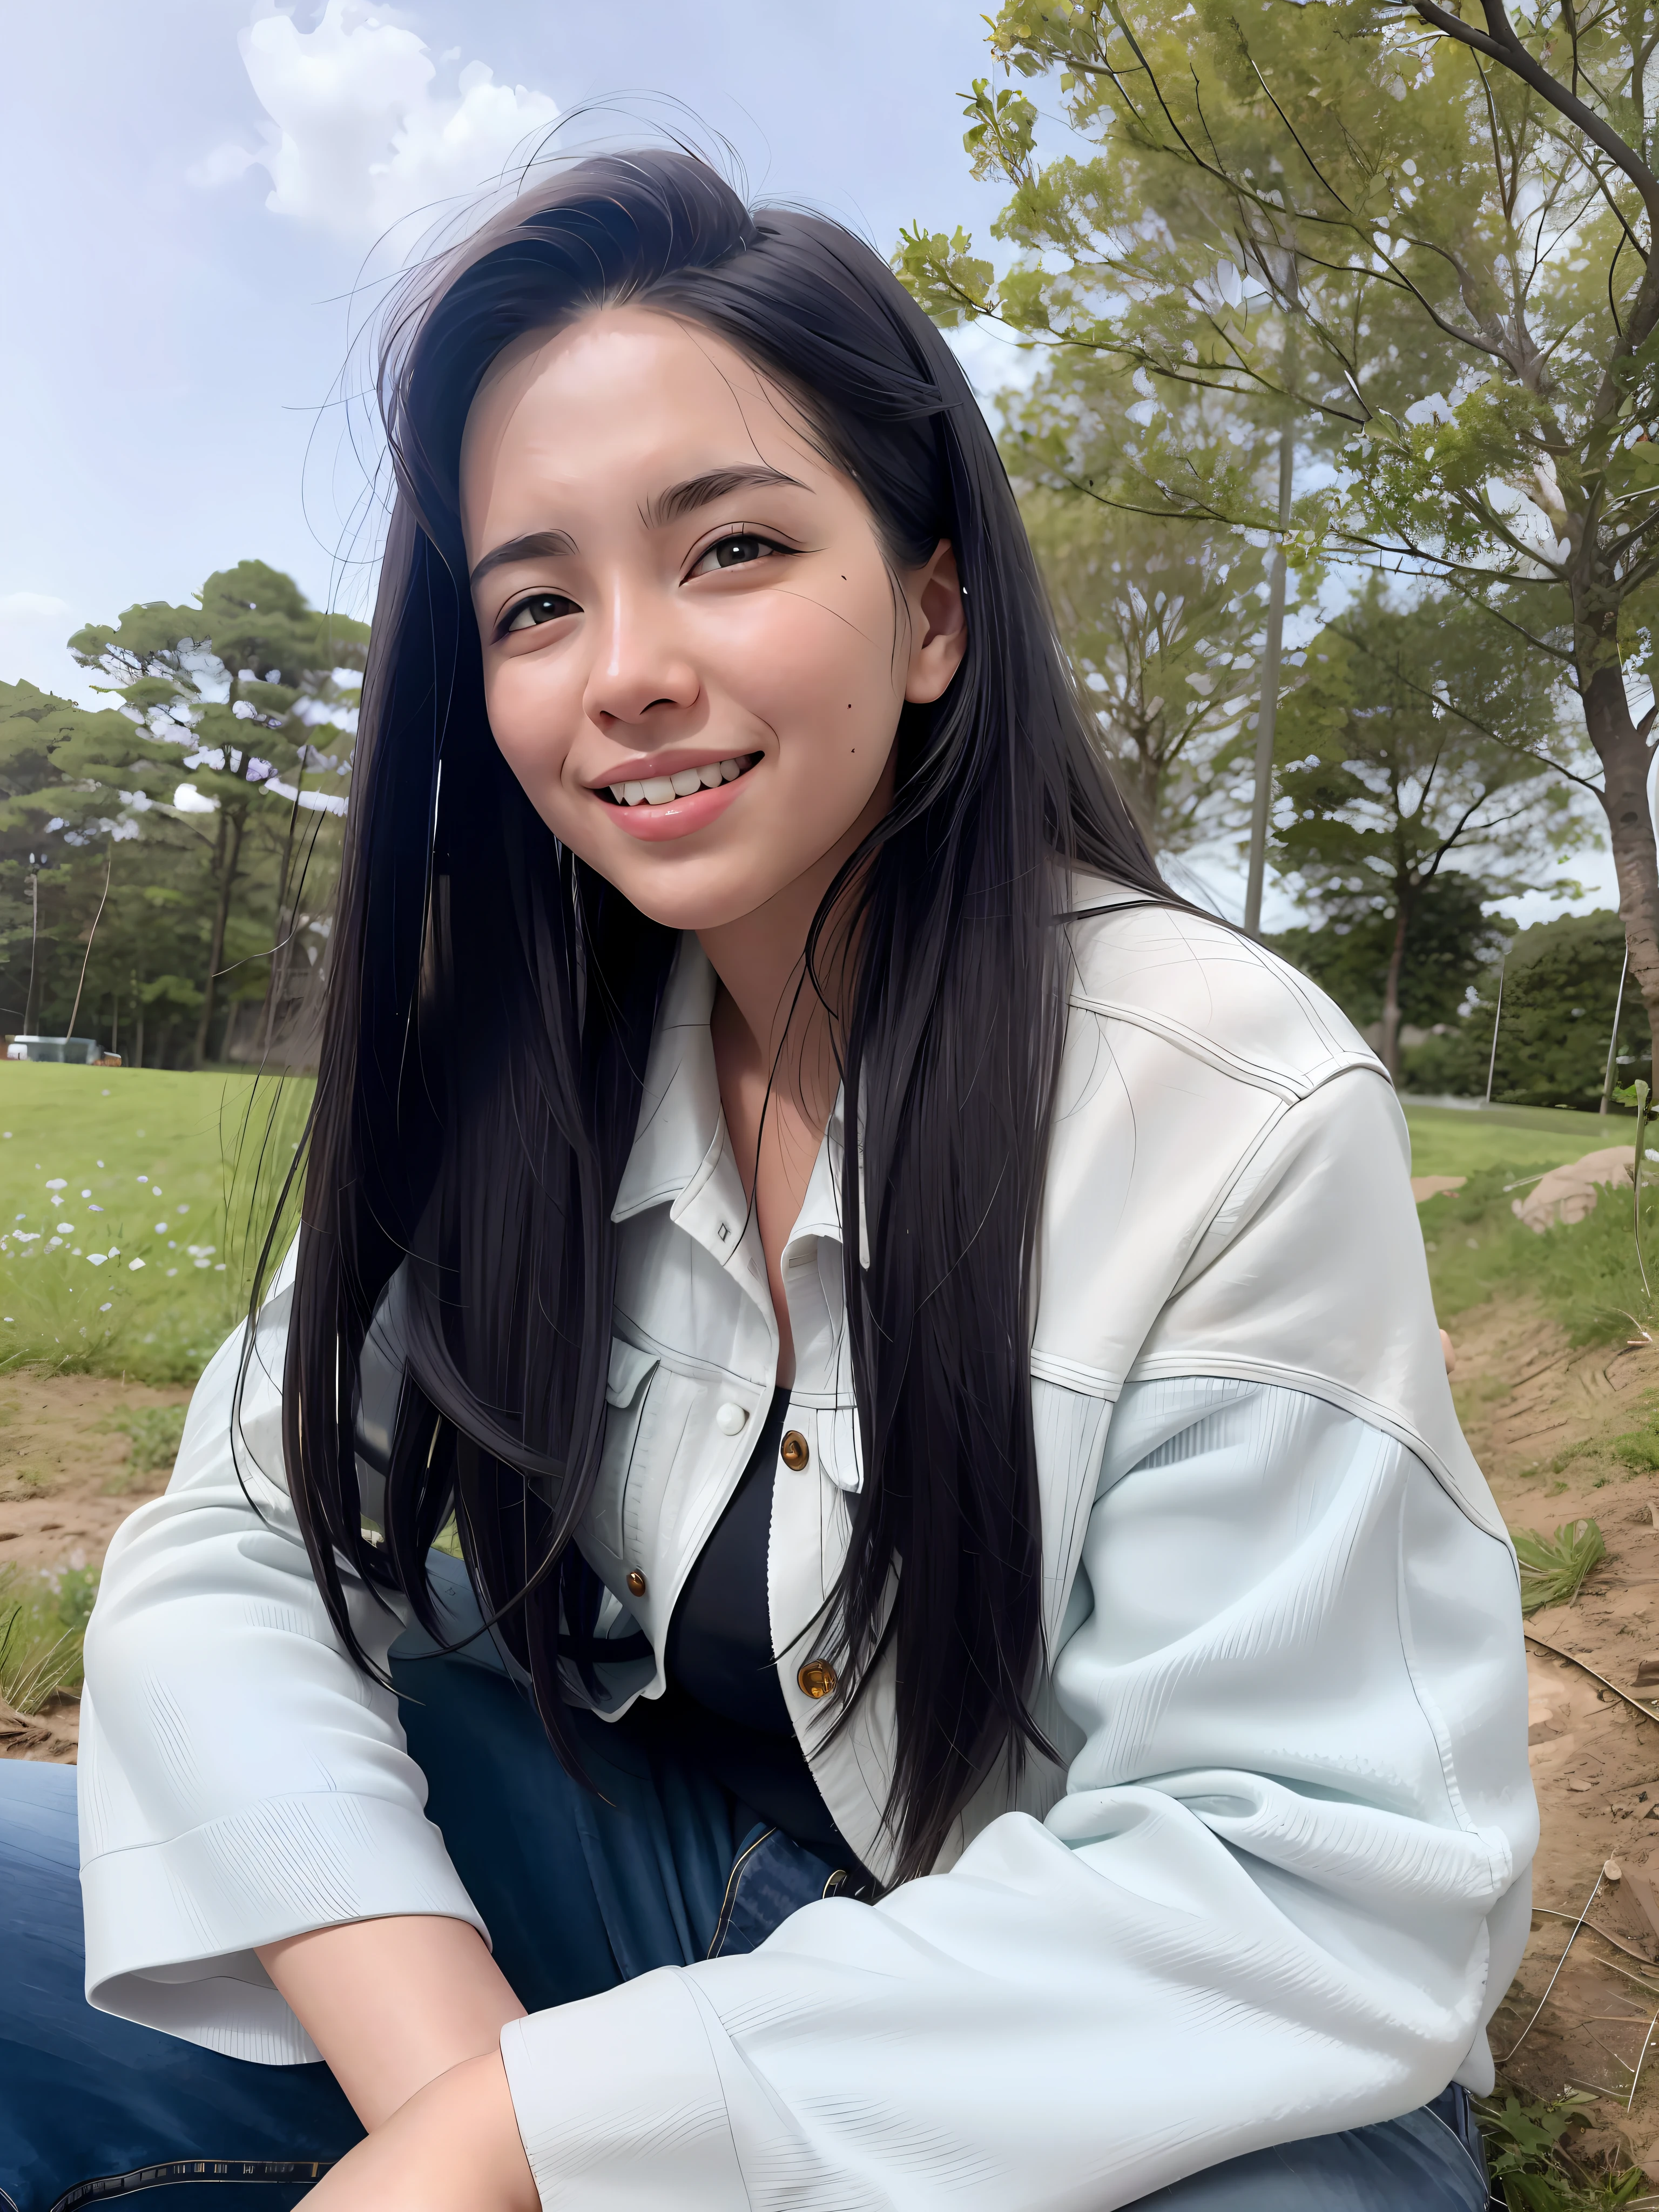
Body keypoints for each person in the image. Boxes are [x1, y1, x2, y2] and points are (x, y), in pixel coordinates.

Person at [1, 151, 1530, 2212]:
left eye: (727, 548)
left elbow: (1299, 1878)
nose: (623, 667)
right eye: (536, 602)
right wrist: (465, 2100)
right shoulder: (531, 1083)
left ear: (926, 612)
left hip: (1155, 2050)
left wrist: (546, 2138)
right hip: (686, 1895)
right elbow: (232, 1551)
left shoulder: (1224, 1098)